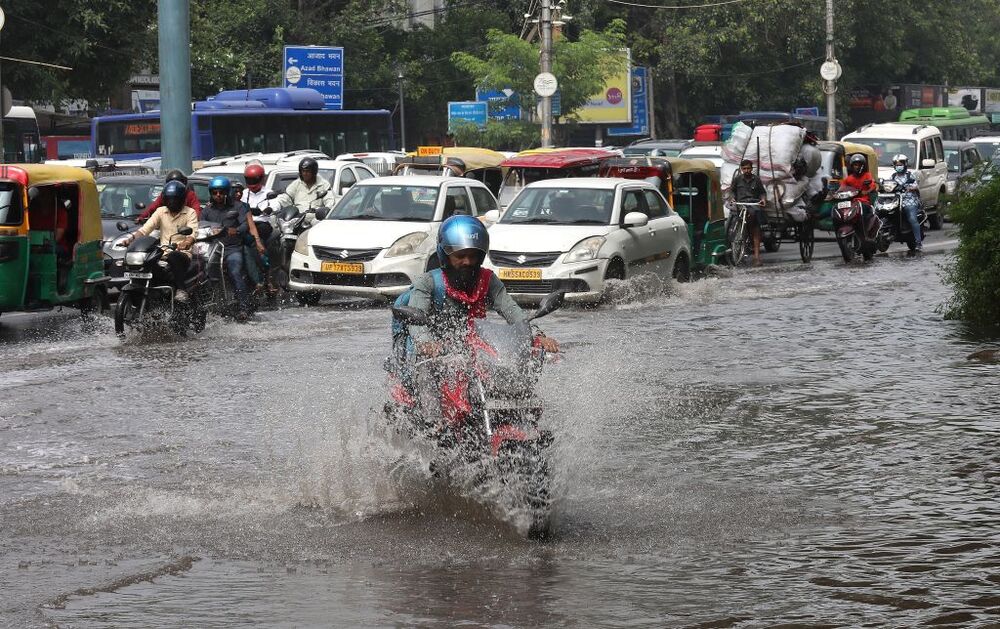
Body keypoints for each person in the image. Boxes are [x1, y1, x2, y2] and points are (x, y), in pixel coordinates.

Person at [405, 215, 559, 358]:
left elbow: (512, 311)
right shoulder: (428, 283)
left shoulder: (488, 280)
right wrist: (425, 343)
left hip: (474, 350)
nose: (467, 262)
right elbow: (416, 321)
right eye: (460, 256)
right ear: (445, 255)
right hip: (433, 354)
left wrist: (537, 335)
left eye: (473, 256)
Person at [119, 181, 199, 302]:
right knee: (145, 262)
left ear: (182, 199)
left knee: (173, 256)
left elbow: (192, 233)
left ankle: (181, 290)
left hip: (181, 253)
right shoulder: (161, 211)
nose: (172, 202)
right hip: (162, 252)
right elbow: (145, 229)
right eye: (169, 199)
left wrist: (186, 242)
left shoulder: (190, 212)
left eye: (175, 199)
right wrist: (130, 240)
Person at [201, 176, 265, 320]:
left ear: (226, 192)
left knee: (235, 271)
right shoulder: (207, 210)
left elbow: (244, 224)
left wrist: (234, 230)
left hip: (232, 247)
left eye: (221, 192)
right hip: (211, 248)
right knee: (201, 273)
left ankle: (243, 307)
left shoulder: (237, 206)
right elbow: (200, 226)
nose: (218, 195)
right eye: (215, 192)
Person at [728, 159, 767, 266]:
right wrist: (732, 198)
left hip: (753, 205)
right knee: (733, 221)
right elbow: (731, 191)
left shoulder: (756, 180)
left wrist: (763, 199)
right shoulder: (737, 179)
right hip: (741, 205)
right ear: (741, 169)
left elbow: (762, 193)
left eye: (748, 168)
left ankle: (757, 257)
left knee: (755, 227)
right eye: (744, 169)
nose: (746, 170)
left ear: (751, 168)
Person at [136, 169, 202, 222]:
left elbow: (196, 209)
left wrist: (193, 220)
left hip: (184, 223)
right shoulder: (165, 195)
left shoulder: (189, 194)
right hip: (168, 222)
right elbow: (153, 207)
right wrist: (142, 217)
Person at [887, 154, 923, 251]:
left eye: (901, 164)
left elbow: (916, 186)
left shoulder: (910, 175)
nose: (899, 166)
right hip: (896, 201)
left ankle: (918, 241)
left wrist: (910, 188)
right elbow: (889, 186)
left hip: (910, 201)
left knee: (912, 219)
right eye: (897, 164)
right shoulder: (893, 176)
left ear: (905, 164)